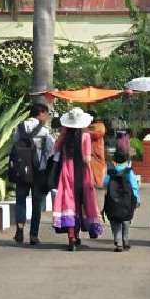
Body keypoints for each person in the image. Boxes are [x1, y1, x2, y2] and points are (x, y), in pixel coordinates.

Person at [52, 107, 103, 251]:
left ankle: (71, 238)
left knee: (69, 203)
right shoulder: (85, 136)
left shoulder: (65, 134)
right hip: (83, 173)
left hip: (67, 171)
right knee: (83, 202)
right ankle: (79, 234)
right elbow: (87, 158)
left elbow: (55, 149)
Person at [12, 104, 55, 246]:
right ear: (40, 113)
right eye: (46, 114)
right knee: (36, 204)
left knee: (20, 200)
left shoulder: (19, 128)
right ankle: (33, 235)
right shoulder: (44, 131)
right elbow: (51, 150)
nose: (47, 117)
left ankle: (19, 228)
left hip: (21, 171)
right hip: (38, 172)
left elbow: (14, 144)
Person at [102, 149, 140, 252]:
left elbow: (105, 183)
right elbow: (134, 186)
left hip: (113, 201)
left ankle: (118, 241)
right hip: (127, 201)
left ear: (114, 160)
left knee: (115, 221)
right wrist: (136, 199)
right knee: (126, 220)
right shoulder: (129, 171)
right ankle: (125, 240)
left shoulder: (111, 171)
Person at [88, 120, 107, 189]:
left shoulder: (99, 127)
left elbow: (99, 133)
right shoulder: (98, 127)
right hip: (93, 153)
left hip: (96, 154)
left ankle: (98, 183)